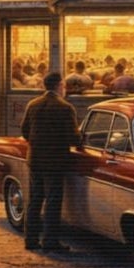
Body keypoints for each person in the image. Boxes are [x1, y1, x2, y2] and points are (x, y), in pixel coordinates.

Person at [19, 71, 85, 253]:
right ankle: (50, 241)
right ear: (59, 86)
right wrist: (81, 138)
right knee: (53, 202)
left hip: (34, 160)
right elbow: (74, 138)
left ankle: (30, 240)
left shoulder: (33, 105)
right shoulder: (65, 108)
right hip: (55, 162)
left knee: (34, 200)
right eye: (63, 86)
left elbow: (25, 130)